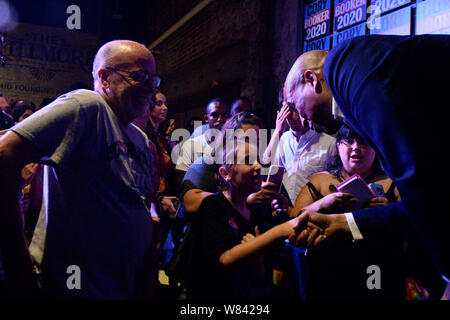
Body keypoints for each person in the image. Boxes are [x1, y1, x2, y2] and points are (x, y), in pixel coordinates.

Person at [285, 35, 450, 299]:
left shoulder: (344, 64)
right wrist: (342, 223)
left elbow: (416, 177)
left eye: (294, 106)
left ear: (311, 80)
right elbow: (417, 202)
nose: (303, 123)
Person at [0, 40, 160, 299]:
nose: (150, 87)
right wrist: (18, 267)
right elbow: (3, 155)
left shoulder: (140, 139)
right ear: (105, 78)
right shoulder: (87, 107)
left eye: (154, 79)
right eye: (139, 76)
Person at [291, 124, 407, 299]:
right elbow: (293, 220)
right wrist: (322, 204)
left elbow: (414, 226)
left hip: (376, 269)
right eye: (348, 142)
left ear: (375, 147)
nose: (356, 148)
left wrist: (388, 212)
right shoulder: (321, 180)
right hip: (328, 267)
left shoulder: (392, 183)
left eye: (363, 142)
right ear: (338, 146)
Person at [185, 138, 301, 300]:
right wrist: (277, 232)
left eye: (258, 160)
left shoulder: (257, 211)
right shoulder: (213, 205)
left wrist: (257, 256)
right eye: (248, 161)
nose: (258, 166)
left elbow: (259, 279)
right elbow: (225, 259)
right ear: (226, 174)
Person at [273, 102, 336, 206]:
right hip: (284, 210)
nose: (294, 117)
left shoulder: (329, 143)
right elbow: (268, 168)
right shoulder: (282, 138)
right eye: (288, 110)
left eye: (297, 110)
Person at [175, 97, 230, 189]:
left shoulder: (237, 146)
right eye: (215, 115)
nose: (220, 119)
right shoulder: (191, 145)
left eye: (225, 114)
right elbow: (181, 179)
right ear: (206, 118)